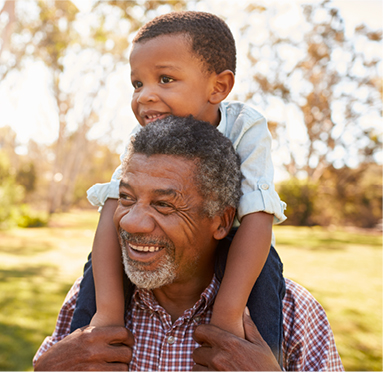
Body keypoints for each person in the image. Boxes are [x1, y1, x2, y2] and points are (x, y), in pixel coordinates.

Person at [33, 116, 343, 371]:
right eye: (126, 198)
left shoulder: (292, 313)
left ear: (221, 221)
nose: (130, 222)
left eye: (164, 205)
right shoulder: (88, 299)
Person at [71, 10, 287, 362]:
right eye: (137, 84)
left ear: (218, 87)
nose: (145, 97)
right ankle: (82, 358)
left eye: (165, 79)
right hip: (164, 252)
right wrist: (106, 313)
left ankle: (259, 359)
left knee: (266, 276)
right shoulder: (142, 139)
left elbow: (258, 216)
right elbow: (112, 208)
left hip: (238, 246)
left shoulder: (245, 127)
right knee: (97, 266)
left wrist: (228, 315)